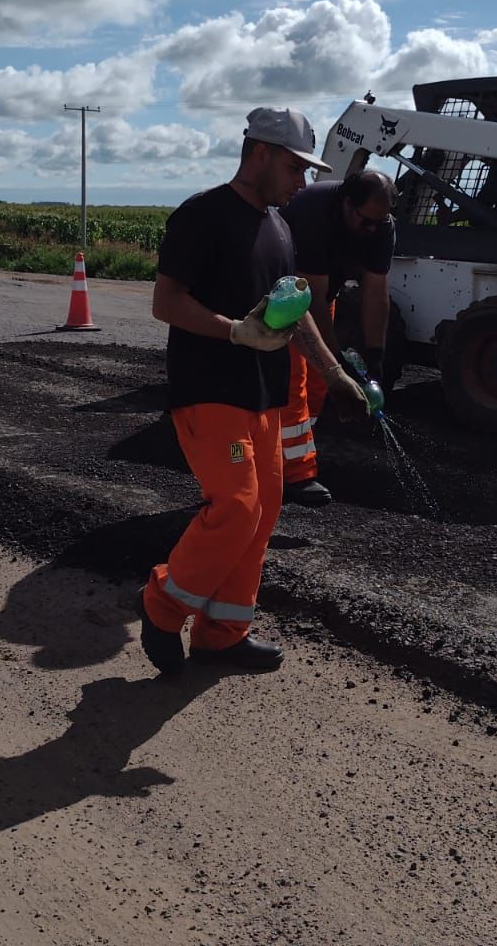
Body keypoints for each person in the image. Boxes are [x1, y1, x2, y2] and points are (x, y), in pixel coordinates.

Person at [139, 107, 371, 676]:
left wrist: (334, 374)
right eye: (296, 167)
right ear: (260, 153)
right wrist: (235, 332)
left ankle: (223, 634)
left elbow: (296, 310)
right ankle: (162, 606)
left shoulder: (280, 225)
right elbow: (165, 302)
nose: (303, 181)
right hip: (209, 392)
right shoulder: (202, 215)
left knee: (263, 514)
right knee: (238, 506)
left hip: (264, 398)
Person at [276, 169, 397, 507]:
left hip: (320, 297)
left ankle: (290, 453)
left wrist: (375, 356)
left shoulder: (381, 225)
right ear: (347, 204)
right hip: (285, 300)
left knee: (317, 384)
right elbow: (308, 299)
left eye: (379, 222)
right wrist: (336, 367)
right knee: (294, 380)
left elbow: (376, 294)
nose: (372, 229)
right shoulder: (315, 213)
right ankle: (294, 475)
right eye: (366, 221)